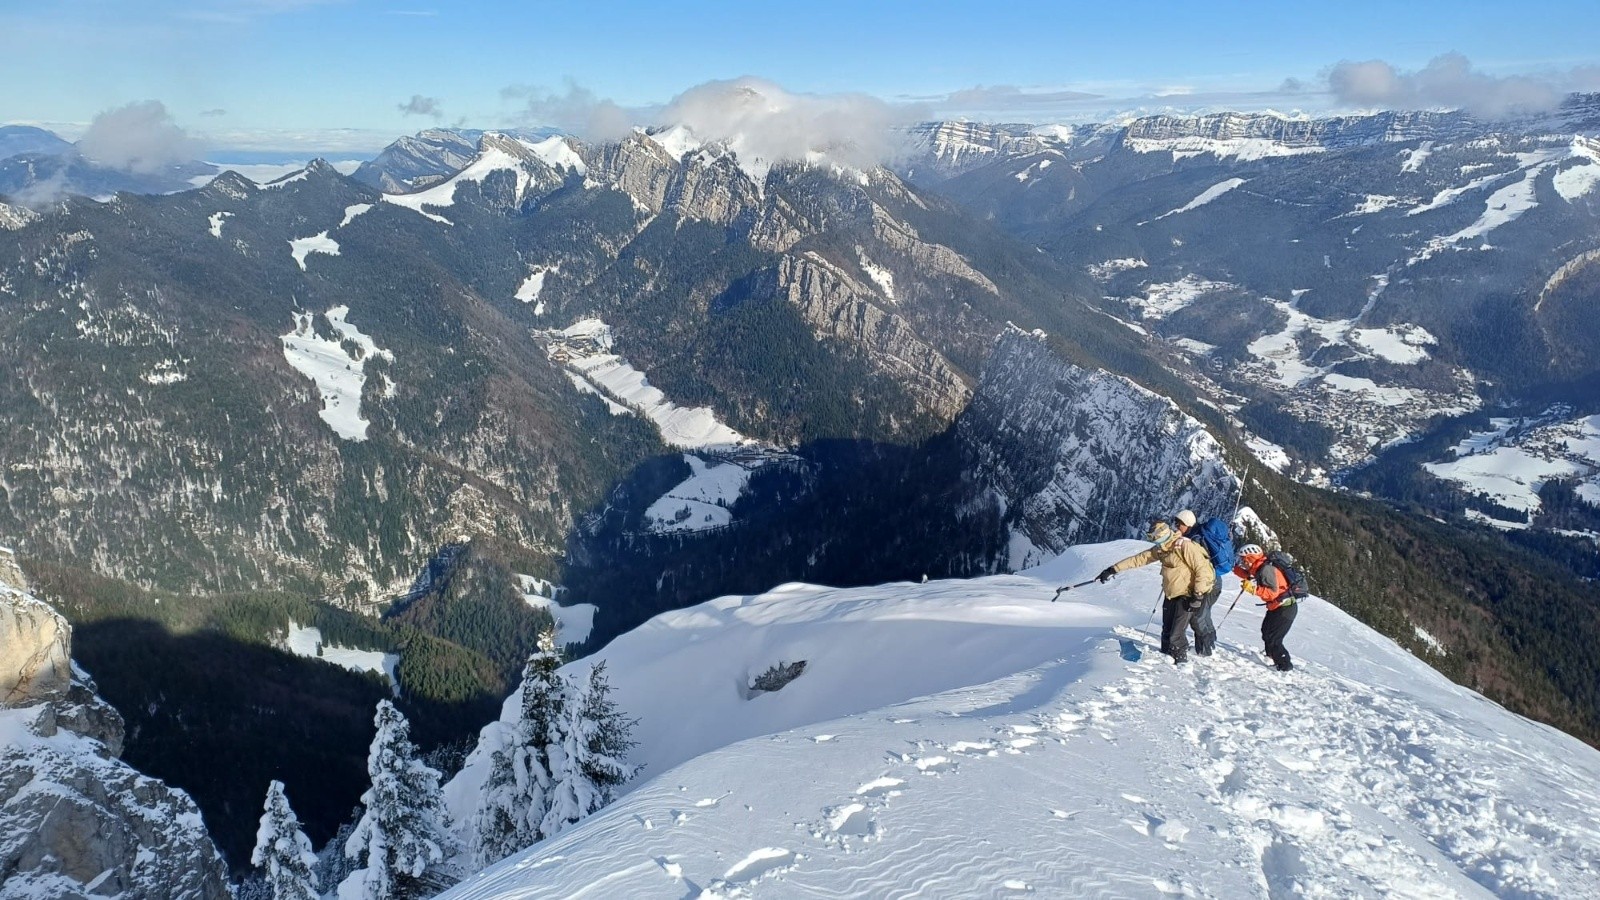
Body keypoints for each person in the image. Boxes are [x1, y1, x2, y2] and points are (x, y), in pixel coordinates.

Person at [1098, 518, 1216, 664]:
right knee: (1166, 632)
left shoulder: (1185, 546)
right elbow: (1140, 559)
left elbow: (1203, 570)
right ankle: (1164, 661)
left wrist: (1198, 595)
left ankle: (1181, 663)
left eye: (1153, 537)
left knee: (1175, 635)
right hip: (1171, 594)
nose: (1153, 540)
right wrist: (1113, 569)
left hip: (1187, 595)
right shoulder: (1162, 549)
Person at [1233, 544, 1299, 671]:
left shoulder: (1266, 569)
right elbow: (1248, 574)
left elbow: (1272, 593)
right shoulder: (1259, 567)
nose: (1242, 562)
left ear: (1250, 558)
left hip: (1284, 608)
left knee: (1274, 638)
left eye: (1244, 559)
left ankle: (1284, 666)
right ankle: (1271, 657)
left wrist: (1253, 589)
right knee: (1266, 632)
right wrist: (1234, 569)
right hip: (1278, 607)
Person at [1171, 509, 1221, 656]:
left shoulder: (1195, 539)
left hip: (1208, 582)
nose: (1176, 527)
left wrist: (1198, 592)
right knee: (1203, 614)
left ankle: (1205, 651)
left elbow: (1200, 566)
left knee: (1197, 617)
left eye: (1179, 524)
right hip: (1214, 580)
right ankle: (1209, 645)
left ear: (1186, 524)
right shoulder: (1197, 535)